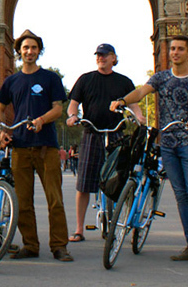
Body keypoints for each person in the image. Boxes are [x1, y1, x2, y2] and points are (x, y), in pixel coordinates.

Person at [110, 35, 188, 266]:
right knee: (182, 195)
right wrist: (123, 100)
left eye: (180, 49)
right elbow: (141, 92)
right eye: (172, 48)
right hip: (168, 146)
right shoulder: (161, 78)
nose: (175, 52)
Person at [0, 29, 73, 262]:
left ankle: (59, 246)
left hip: (46, 146)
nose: (29, 51)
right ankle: (30, 245)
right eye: (25, 48)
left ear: (39, 51)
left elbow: (58, 108)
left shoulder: (50, 78)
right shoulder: (12, 81)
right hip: (19, 146)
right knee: (22, 200)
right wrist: (2, 131)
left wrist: (41, 120)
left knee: (55, 199)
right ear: (19, 51)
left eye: (34, 47)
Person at [66, 43, 144, 243]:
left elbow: (133, 103)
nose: (100, 58)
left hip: (117, 134)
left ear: (113, 58)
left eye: (104, 55)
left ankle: (123, 220)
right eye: (98, 55)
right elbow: (73, 103)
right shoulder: (85, 79)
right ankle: (79, 229)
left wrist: (139, 117)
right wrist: (73, 116)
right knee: (83, 183)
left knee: (120, 180)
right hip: (92, 133)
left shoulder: (124, 81)